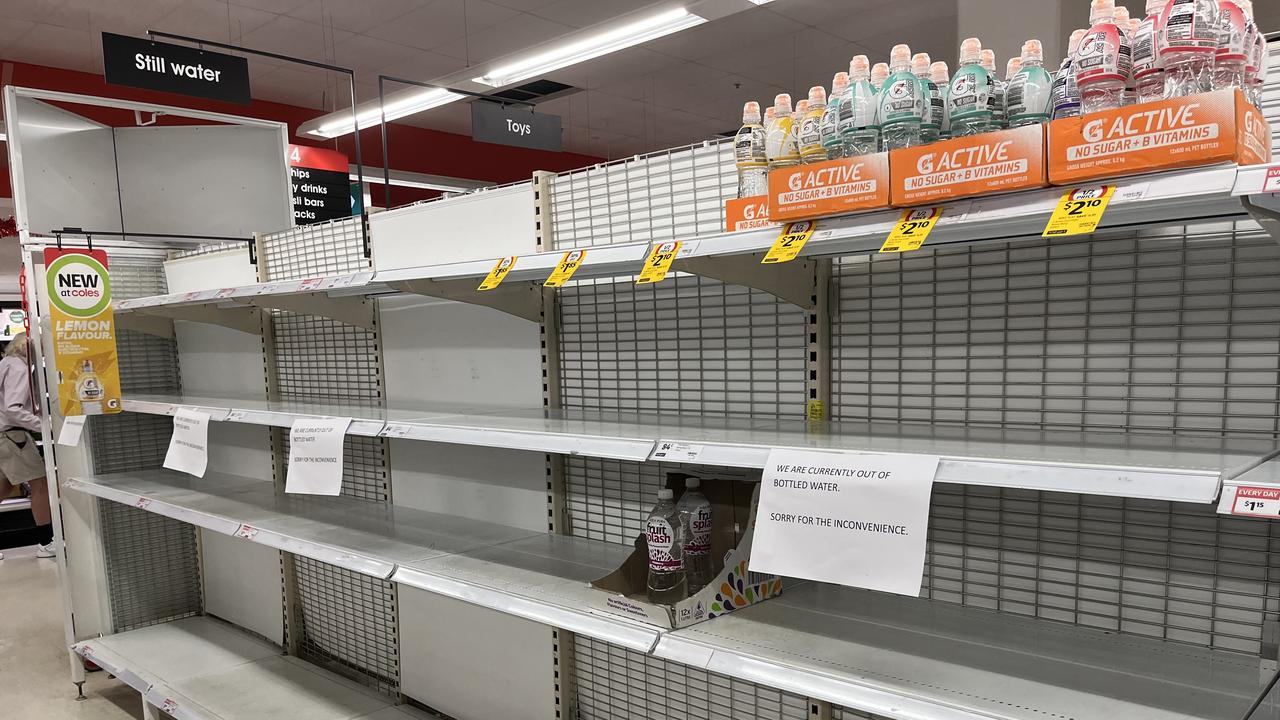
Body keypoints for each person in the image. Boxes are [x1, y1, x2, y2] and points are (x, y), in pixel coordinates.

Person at [0, 333, 51, 560]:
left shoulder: (5, 363)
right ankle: (46, 541)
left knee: (5, 487)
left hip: (3, 436)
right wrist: (42, 425)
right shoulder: (19, 368)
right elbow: (13, 408)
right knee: (40, 484)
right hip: (13, 436)